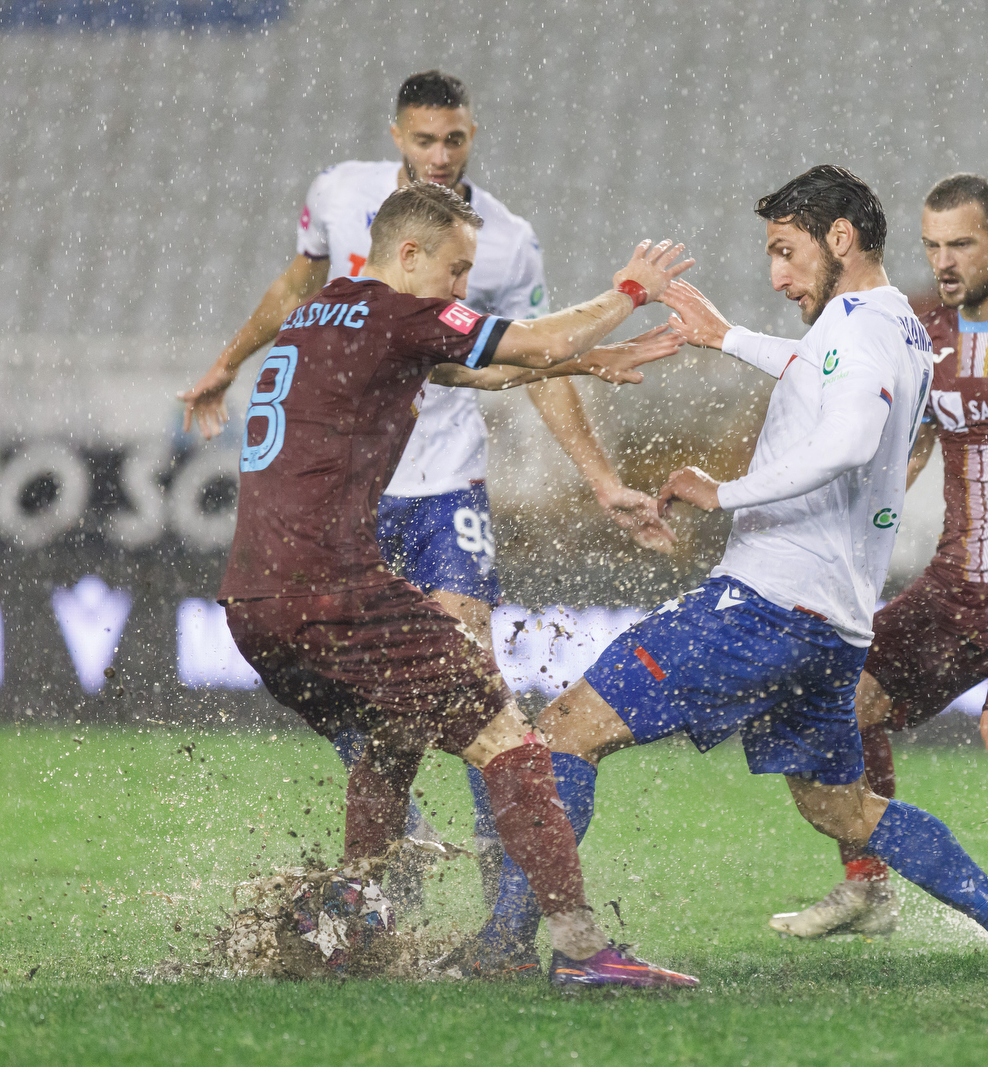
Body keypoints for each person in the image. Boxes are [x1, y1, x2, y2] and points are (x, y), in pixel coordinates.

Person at [534, 165, 988, 972]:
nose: (778, 275)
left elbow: (850, 436)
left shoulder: (855, 331)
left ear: (841, 239)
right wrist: (728, 337)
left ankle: (523, 946)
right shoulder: (895, 326)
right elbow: (826, 372)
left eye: (786, 252)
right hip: (833, 631)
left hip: (762, 607)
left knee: (561, 735)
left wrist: (726, 493)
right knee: (843, 807)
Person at [203, 70, 675, 973]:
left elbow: (478, 371)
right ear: (412, 255)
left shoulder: (319, 319)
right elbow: (518, 339)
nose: (464, 283)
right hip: (336, 585)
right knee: (504, 731)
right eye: (457, 269)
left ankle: (347, 916)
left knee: (396, 731)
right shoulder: (407, 311)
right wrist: (629, 288)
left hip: (253, 599)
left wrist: (583, 359)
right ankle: (579, 946)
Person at [766, 174, 988, 951]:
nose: (944, 260)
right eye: (932, 246)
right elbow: (909, 446)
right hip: (954, 585)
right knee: (847, 699)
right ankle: (868, 887)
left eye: (961, 243)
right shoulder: (923, 334)